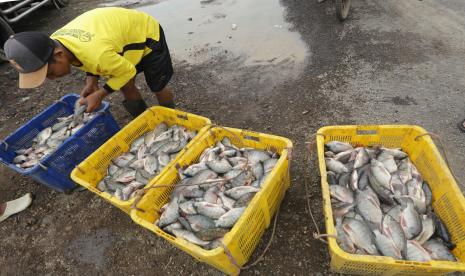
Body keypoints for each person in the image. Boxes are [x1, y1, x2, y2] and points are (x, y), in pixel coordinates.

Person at [4, 7, 175, 118]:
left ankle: (172, 118)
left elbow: (125, 70)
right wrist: (91, 81)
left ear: (59, 54)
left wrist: (100, 94)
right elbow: (85, 57)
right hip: (117, 41)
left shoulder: (97, 53)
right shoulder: (58, 41)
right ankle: (143, 119)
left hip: (146, 35)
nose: (52, 79)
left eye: (50, 72)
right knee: (124, 85)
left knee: (157, 86)